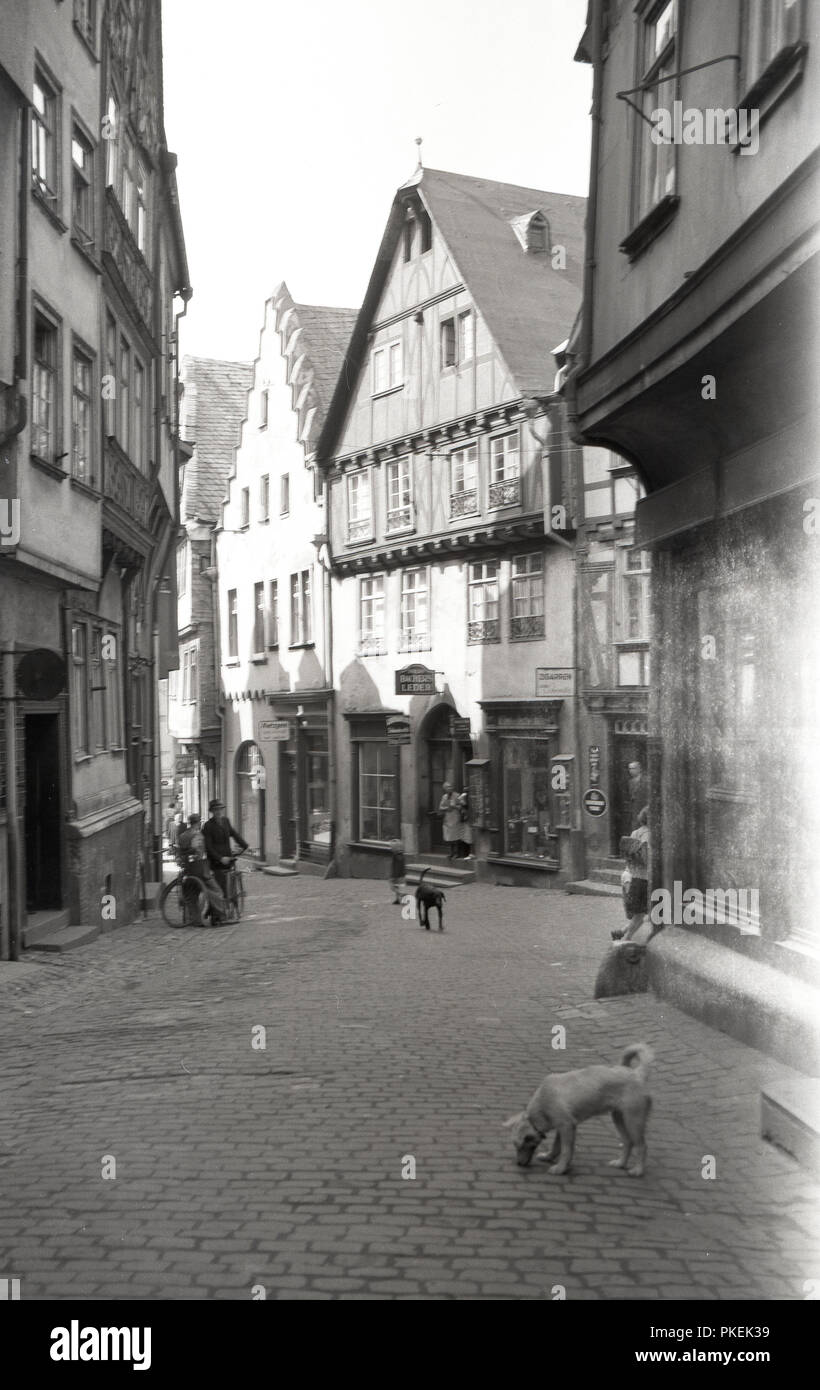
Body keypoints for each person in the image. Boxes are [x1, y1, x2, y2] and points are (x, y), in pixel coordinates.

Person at [176, 814, 227, 925]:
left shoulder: (182, 836)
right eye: (199, 822)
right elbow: (197, 851)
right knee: (216, 890)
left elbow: (180, 852)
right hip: (199, 869)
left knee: (191, 894)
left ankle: (195, 920)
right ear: (198, 823)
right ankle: (219, 915)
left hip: (187, 870)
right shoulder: (197, 835)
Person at [613, 806, 649, 943]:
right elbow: (645, 854)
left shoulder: (635, 833)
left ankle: (622, 931)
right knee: (641, 915)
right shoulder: (647, 834)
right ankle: (626, 939)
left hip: (635, 876)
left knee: (642, 914)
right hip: (645, 878)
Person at [203, 799, 249, 899]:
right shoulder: (208, 826)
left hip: (228, 858)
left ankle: (231, 904)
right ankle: (219, 911)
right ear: (211, 811)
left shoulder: (225, 821)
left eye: (220, 809)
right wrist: (220, 858)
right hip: (216, 862)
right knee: (220, 888)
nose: (218, 812)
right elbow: (208, 847)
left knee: (230, 885)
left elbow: (234, 834)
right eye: (215, 810)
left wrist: (245, 845)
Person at [439, 783, 462, 861]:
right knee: (449, 837)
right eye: (447, 787)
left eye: (450, 787)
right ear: (445, 789)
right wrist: (446, 808)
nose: (449, 788)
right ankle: (451, 853)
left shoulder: (457, 795)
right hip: (447, 818)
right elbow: (440, 807)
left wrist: (455, 806)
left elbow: (462, 806)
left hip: (455, 818)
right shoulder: (444, 797)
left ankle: (457, 853)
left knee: (455, 836)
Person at [627, 761, 647, 828]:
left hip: (644, 809)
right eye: (630, 769)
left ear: (640, 769)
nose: (631, 771)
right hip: (634, 811)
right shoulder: (630, 782)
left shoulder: (646, 780)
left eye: (633, 768)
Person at [388, 837, 406, 905]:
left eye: (391, 847)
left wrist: (393, 876)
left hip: (398, 875)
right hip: (401, 874)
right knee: (398, 886)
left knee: (394, 887)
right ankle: (398, 899)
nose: (390, 848)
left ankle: (403, 895)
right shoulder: (399, 855)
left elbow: (397, 867)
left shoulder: (397, 856)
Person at [457, 789, 473, 860]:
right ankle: (464, 853)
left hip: (468, 821)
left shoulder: (469, 799)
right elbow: (460, 801)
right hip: (464, 821)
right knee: (464, 837)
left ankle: (469, 853)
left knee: (468, 837)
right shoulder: (464, 796)